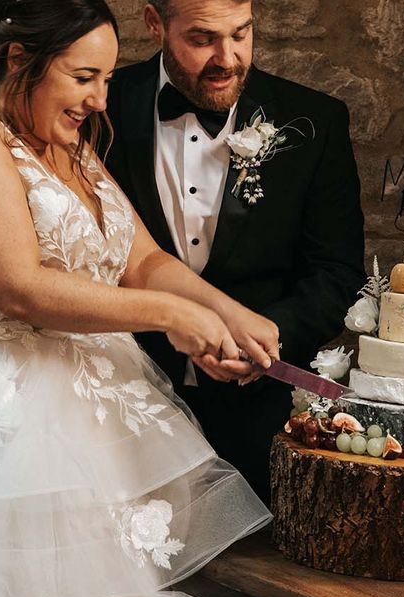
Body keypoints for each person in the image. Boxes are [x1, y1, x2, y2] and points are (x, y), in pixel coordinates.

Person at [0, 1, 282, 597]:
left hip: (108, 424)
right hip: (24, 426)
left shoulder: (73, 149)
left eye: (108, 80)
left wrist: (231, 316)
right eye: (85, 77)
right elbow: (21, 287)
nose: (100, 99)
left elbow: (140, 261)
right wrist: (170, 317)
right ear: (22, 61)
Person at [105, 0, 366, 503]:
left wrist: (269, 337)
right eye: (203, 39)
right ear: (155, 23)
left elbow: (336, 272)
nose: (228, 58)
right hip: (124, 404)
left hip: (262, 416)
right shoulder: (100, 108)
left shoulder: (315, 121)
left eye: (241, 34)